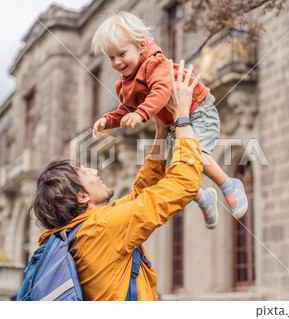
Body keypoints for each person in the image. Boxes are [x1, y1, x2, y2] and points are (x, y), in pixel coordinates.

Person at [31, 65, 202, 301]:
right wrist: (183, 115)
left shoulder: (80, 232)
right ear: (82, 196)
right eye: (84, 172)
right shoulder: (104, 228)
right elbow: (184, 183)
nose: (93, 170)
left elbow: (141, 194)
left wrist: (161, 132)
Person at [91, 11, 248, 229]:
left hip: (198, 110)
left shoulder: (155, 63)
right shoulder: (124, 84)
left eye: (121, 54)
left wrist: (141, 114)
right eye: (111, 57)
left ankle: (230, 184)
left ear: (141, 44)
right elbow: (125, 109)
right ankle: (204, 199)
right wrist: (108, 120)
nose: (117, 62)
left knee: (194, 154)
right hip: (175, 124)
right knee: (175, 170)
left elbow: (162, 91)